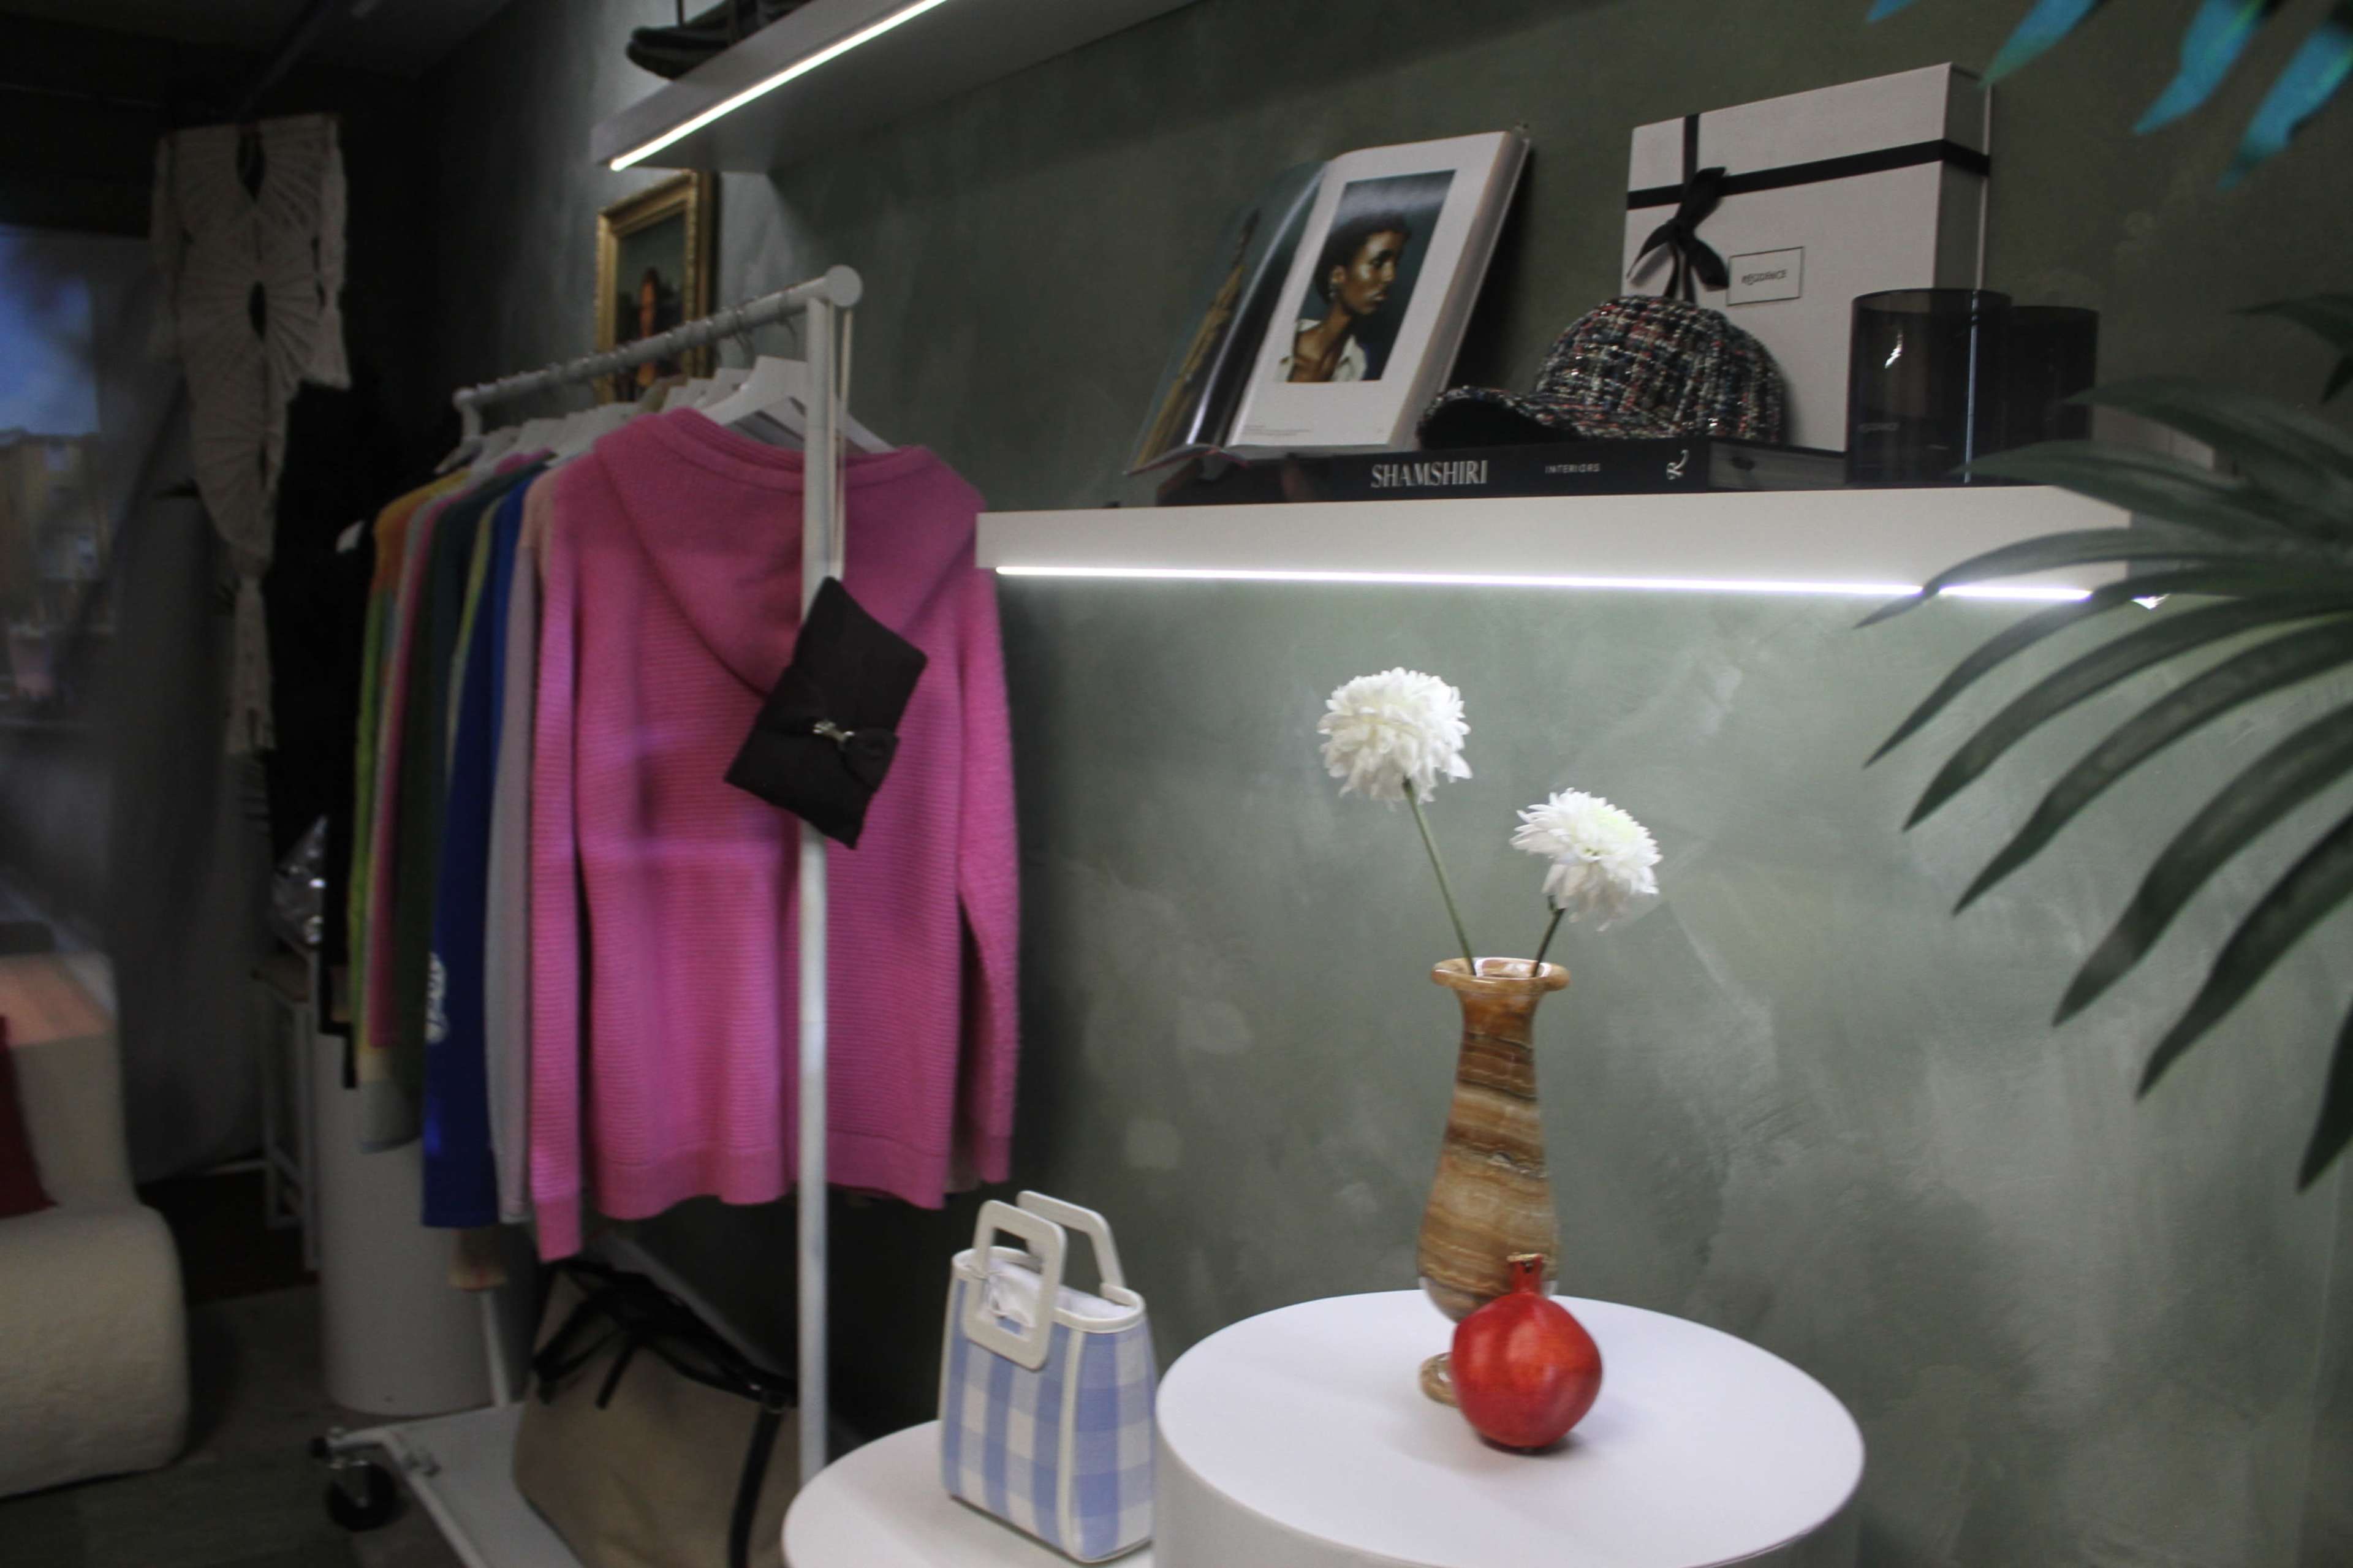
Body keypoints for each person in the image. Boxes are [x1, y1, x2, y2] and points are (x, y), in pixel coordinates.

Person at [1285, 211, 1409, 384]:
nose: (1391, 277)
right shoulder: (1282, 343)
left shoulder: (1360, 368)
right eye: (1378, 263)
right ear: (1338, 275)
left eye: (1395, 264)